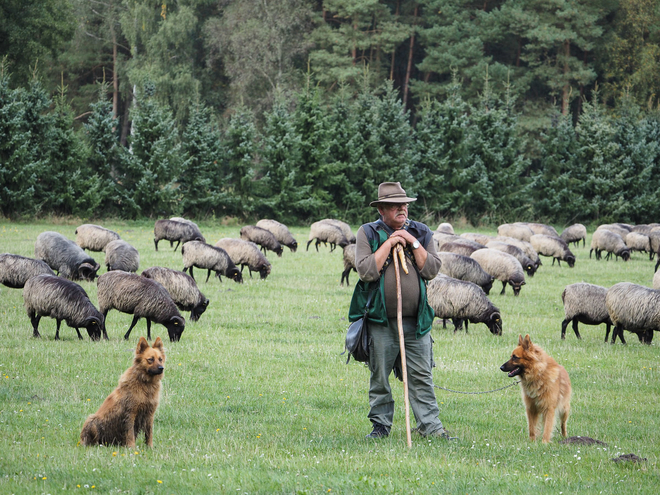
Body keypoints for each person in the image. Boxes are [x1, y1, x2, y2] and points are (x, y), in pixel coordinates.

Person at [349, 182, 453, 440]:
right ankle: (381, 426)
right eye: (396, 205)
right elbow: (366, 271)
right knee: (380, 376)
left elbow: (431, 269)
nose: (403, 208)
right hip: (380, 321)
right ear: (382, 209)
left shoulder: (421, 231)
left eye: (405, 204)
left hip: (416, 322)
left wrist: (410, 241)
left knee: (421, 375)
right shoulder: (368, 233)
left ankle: (431, 427)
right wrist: (391, 242)